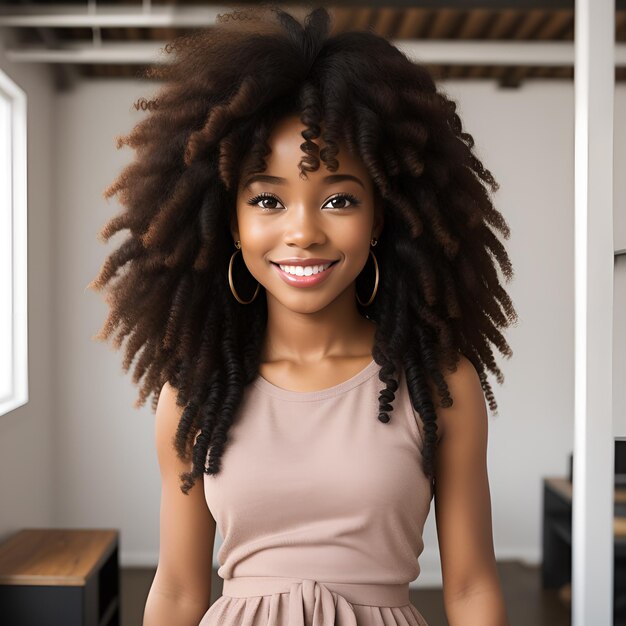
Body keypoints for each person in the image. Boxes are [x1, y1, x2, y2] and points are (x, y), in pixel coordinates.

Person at [88, 5, 516, 625]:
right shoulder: (193, 391)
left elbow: (473, 587)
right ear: (230, 222)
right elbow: (180, 589)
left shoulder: (442, 386)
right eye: (268, 198)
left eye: (340, 198)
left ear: (381, 220)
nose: (303, 231)